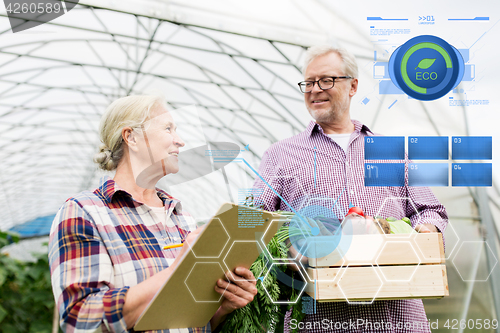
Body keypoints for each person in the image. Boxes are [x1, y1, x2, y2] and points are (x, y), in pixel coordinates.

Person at [253, 45, 448, 333]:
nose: (315, 89)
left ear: (353, 86)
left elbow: (429, 210)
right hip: (321, 321)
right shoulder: (280, 155)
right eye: (308, 82)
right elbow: (257, 222)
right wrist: (289, 250)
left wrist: (420, 233)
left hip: (398, 319)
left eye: (326, 80)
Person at [48, 95, 257, 333]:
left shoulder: (181, 217)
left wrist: (222, 308)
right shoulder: (84, 212)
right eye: (168, 129)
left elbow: (189, 321)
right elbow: (82, 320)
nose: (181, 141)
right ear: (132, 137)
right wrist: (177, 271)